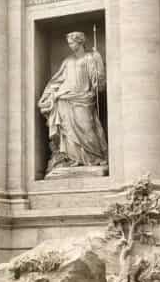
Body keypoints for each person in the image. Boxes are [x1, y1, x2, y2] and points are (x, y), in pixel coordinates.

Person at [38, 32, 108, 175]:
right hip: (65, 98)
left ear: (80, 42)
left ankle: (95, 157)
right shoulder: (67, 61)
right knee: (68, 131)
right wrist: (47, 96)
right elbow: (56, 80)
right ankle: (73, 159)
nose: (70, 45)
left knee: (87, 127)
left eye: (72, 42)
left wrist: (99, 61)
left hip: (84, 98)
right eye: (69, 43)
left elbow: (98, 82)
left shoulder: (90, 58)